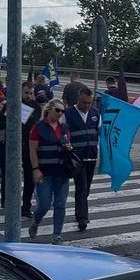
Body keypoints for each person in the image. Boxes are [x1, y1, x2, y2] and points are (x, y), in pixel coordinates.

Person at [28, 99, 73, 244]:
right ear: (49, 109)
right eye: (57, 110)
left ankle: (57, 235)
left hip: (62, 172)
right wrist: (35, 169)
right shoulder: (38, 127)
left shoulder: (64, 128)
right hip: (44, 172)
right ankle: (36, 222)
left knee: (60, 205)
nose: (60, 113)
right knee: (44, 205)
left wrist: (69, 148)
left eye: (62, 111)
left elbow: (68, 144)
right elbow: (32, 150)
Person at [64, 87, 101, 231]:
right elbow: (63, 133)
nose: (86, 105)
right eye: (84, 102)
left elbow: (99, 131)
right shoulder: (68, 114)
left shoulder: (95, 114)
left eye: (89, 103)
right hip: (77, 157)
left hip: (91, 156)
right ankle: (82, 218)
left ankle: (79, 210)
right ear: (78, 100)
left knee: (87, 188)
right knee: (82, 187)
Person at [19, 81, 40, 218]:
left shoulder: (35, 106)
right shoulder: (14, 104)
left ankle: (26, 207)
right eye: (26, 93)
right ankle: (6, 201)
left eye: (31, 93)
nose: (28, 96)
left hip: (28, 146)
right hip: (14, 145)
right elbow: (0, 123)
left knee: (29, 178)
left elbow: (36, 123)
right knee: (10, 175)